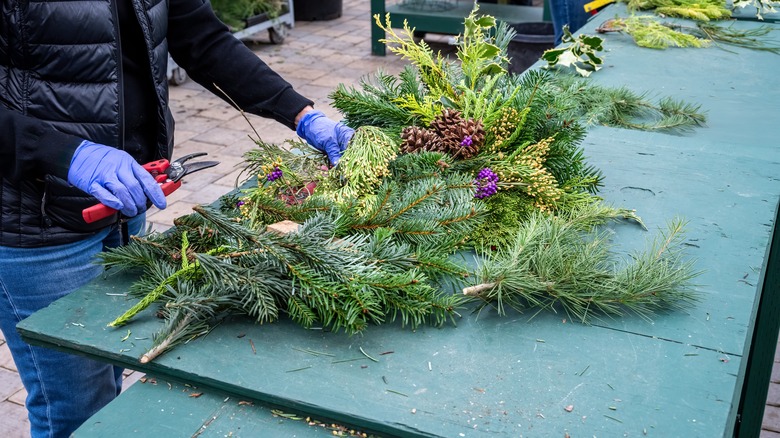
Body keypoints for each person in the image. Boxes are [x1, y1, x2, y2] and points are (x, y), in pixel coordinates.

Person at [0, 0, 353, 436]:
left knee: (106, 374)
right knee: (75, 411)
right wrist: (61, 153)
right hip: (35, 224)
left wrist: (300, 113)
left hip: (123, 203)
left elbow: (198, 36)